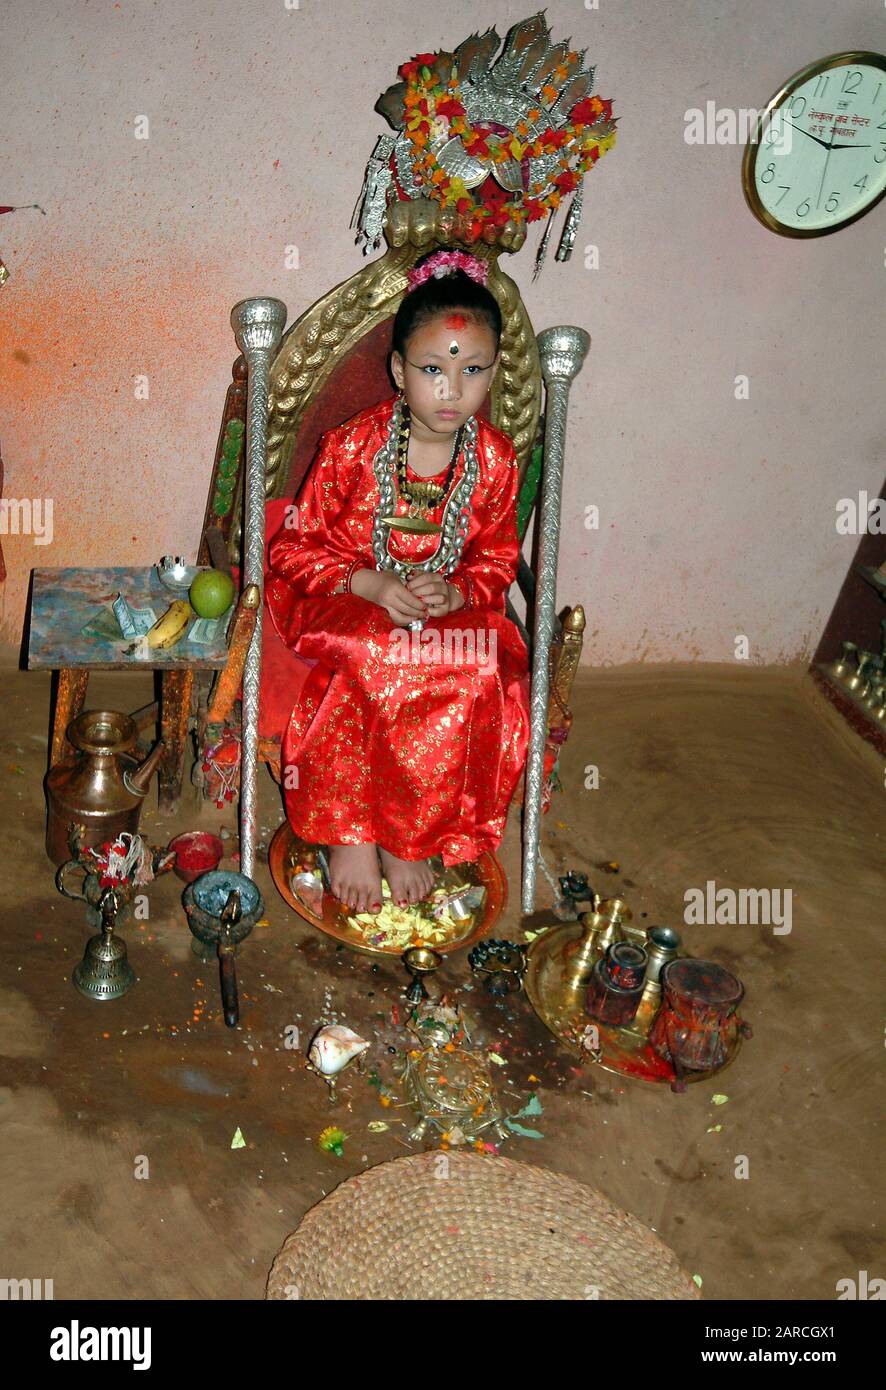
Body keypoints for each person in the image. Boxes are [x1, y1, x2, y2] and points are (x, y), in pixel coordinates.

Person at [265, 247, 530, 915]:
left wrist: (460, 590)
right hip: (344, 599)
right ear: (398, 370)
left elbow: (497, 560)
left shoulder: (495, 461)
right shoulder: (353, 446)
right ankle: (349, 830)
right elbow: (294, 550)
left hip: (442, 610)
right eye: (433, 370)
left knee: (474, 668)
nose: (452, 390)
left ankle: (409, 834)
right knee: (379, 652)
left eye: (472, 371)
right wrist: (369, 584)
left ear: (493, 373)